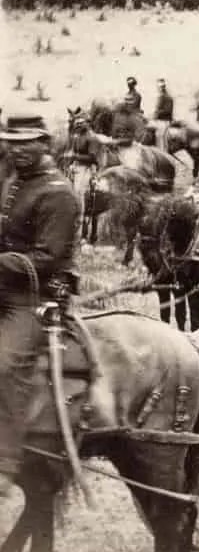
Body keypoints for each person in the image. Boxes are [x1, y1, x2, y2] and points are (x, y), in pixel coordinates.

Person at [0, 115, 81, 495]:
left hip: (35, 294)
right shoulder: (15, 181)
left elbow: (47, 258)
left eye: (25, 142)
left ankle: (5, 458)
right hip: (6, 286)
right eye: (10, 142)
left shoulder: (58, 192)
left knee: (6, 362)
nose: (16, 149)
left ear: (45, 143)